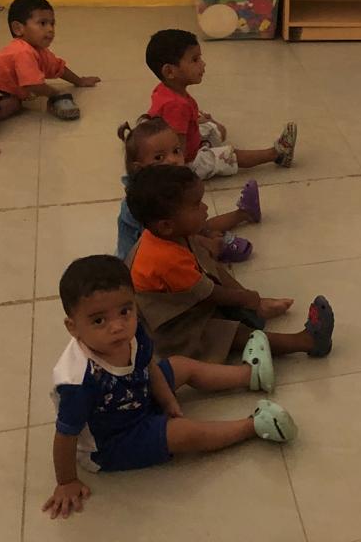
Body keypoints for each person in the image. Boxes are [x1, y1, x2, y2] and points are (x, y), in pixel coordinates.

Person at [43, 255, 296, 520]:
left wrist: (167, 400)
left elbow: (148, 366)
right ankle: (253, 426)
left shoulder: (132, 332)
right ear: (73, 327)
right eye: (98, 321)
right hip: (115, 441)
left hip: (139, 393)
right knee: (183, 433)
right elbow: (65, 435)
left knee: (180, 365)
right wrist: (66, 481)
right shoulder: (78, 381)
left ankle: (250, 375)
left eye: (125, 311)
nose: (117, 326)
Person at [125, 163, 335, 365]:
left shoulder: (168, 235)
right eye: (196, 205)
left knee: (211, 267)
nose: (205, 208)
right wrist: (248, 298)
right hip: (171, 331)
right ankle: (306, 342)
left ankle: (254, 309)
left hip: (183, 307)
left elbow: (205, 265)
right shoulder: (166, 259)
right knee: (233, 335)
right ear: (166, 226)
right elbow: (210, 293)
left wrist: (247, 297)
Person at [0, 0, 100, 156]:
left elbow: (59, 68)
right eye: (42, 23)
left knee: (14, 105)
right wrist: (54, 94)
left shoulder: (41, 53)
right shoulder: (22, 51)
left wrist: (79, 81)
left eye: (52, 23)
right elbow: (33, 85)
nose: (50, 29)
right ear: (18, 28)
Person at [144, 29, 296, 180]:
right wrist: (182, 175)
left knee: (214, 129)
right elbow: (178, 152)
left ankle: (208, 140)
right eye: (195, 60)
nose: (203, 64)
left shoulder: (165, 90)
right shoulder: (176, 106)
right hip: (188, 163)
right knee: (229, 155)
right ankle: (277, 153)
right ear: (169, 71)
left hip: (188, 142)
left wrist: (195, 123)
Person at [115, 116, 261, 263]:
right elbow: (166, 241)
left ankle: (244, 213)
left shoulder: (173, 183)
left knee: (199, 223)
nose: (173, 160)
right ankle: (219, 250)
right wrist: (208, 243)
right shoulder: (142, 202)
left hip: (177, 234)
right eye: (159, 157)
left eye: (176, 151)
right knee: (199, 236)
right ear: (139, 168)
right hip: (149, 258)